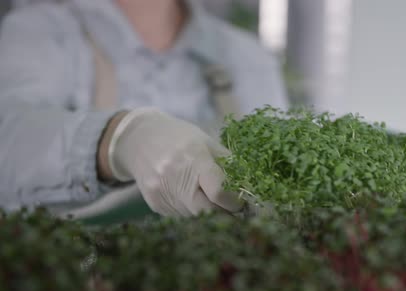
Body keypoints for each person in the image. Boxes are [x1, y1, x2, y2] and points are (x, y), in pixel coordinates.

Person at [0, 0, 288, 217]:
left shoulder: (247, 57)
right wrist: (121, 139)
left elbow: (278, 188)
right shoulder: (39, 33)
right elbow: (11, 138)